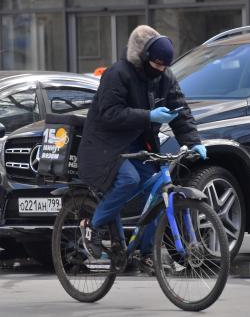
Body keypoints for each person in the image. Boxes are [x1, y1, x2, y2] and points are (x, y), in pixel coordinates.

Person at [77, 25, 206, 273]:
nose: (161, 70)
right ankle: (92, 224)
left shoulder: (165, 76)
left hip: (139, 143)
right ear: (145, 57)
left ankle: (145, 252)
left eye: (165, 65)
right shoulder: (118, 74)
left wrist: (194, 141)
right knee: (128, 179)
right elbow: (109, 114)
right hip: (107, 145)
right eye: (157, 64)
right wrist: (149, 116)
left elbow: (180, 110)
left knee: (158, 191)